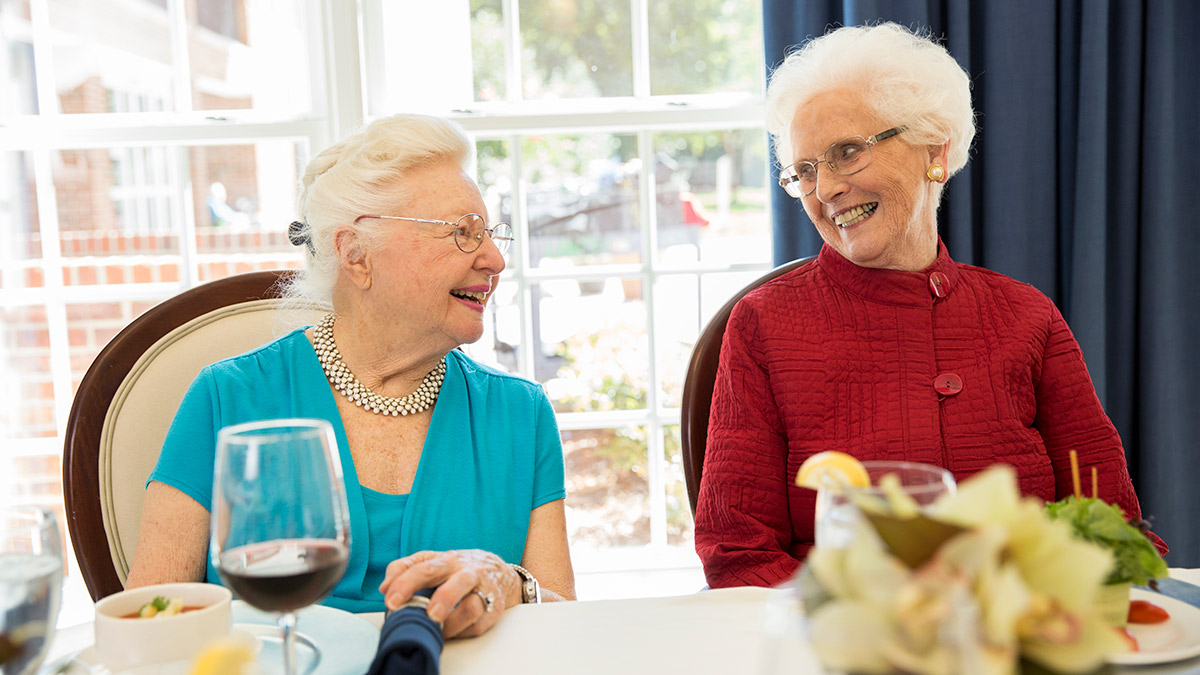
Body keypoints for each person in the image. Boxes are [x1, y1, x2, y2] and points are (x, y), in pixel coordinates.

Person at [693, 23, 1166, 589]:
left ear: (934, 149)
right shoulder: (765, 326)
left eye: (846, 153)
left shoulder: (1028, 317)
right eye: (806, 171)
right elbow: (738, 552)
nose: (824, 190)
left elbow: (1114, 528)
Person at [127, 113, 576, 637]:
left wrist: (509, 583)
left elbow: (563, 625)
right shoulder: (226, 400)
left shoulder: (519, 415)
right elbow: (147, 624)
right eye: (463, 233)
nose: (495, 259)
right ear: (356, 254)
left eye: (491, 234)